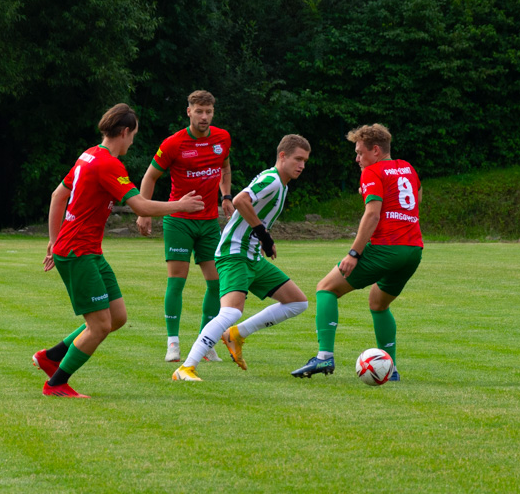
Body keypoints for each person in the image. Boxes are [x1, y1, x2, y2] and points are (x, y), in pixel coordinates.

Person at [33, 104, 204, 397]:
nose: (133, 141)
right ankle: (56, 383)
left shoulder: (88, 154)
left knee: (117, 316)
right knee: (99, 326)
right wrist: (179, 205)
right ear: (124, 132)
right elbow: (139, 206)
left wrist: (53, 238)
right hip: (78, 253)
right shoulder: (108, 164)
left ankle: (51, 356)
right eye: (133, 134)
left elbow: (58, 195)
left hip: (86, 250)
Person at [172, 135, 311, 381]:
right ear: (282, 156)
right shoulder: (272, 179)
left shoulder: (282, 184)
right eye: (297, 159)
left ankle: (237, 334)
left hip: (252, 256)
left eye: (305, 161)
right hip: (234, 253)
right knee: (230, 312)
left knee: (297, 302)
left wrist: (263, 238)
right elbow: (239, 200)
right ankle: (186, 367)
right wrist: (262, 233)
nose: (301, 165)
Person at [291, 123, 423, 381]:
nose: (357, 158)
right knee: (378, 303)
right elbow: (416, 197)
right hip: (413, 250)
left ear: (375, 150)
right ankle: (391, 369)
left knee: (326, 288)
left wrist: (354, 253)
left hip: (386, 247)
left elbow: (372, 214)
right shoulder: (407, 167)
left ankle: (323, 358)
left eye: (360, 152)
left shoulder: (372, 171)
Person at [136, 90, 233, 363]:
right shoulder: (173, 143)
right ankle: (173, 343)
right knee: (176, 282)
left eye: (208, 112)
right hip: (179, 222)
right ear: (188, 111)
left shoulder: (222, 138)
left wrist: (226, 196)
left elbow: (224, 167)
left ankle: (206, 342)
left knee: (216, 283)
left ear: (213, 112)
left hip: (209, 222)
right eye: (199, 111)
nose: (204, 117)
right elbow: (150, 176)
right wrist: (145, 212)